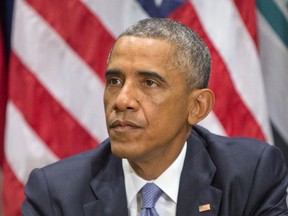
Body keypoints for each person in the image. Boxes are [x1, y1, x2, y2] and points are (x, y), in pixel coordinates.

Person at [22, 18, 288, 216]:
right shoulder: (54, 193)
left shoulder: (250, 175)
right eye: (115, 81)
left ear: (197, 106)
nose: (122, 100)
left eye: (149, 83)